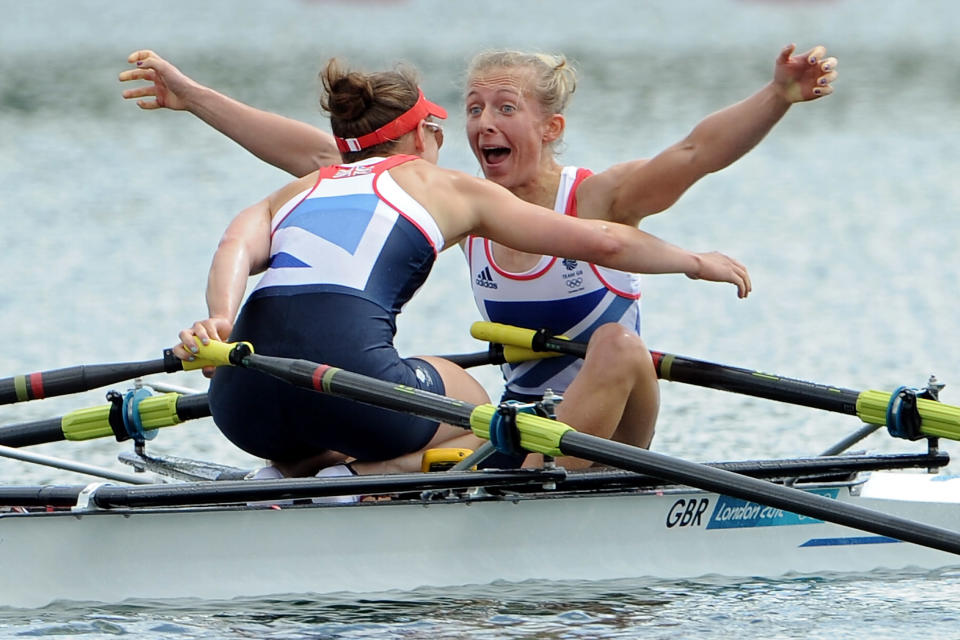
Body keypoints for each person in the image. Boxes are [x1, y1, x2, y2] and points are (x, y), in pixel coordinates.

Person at [123, 44, 832, 467]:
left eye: (504, 109)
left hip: (609, 420)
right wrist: (194, 99)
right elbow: (323, 159)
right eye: (471, 109)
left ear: (550, 127)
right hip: (515, 420)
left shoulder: (599, 199)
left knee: (617, 344)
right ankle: (457, 469)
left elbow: (694, 152)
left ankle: (490, 472)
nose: (483, 124)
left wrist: (777, 96)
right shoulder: (458, 199)